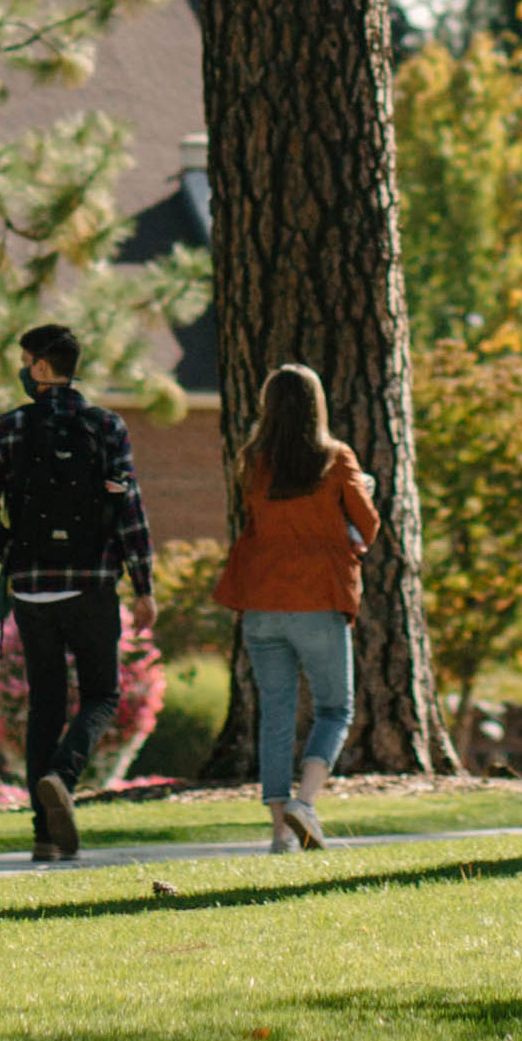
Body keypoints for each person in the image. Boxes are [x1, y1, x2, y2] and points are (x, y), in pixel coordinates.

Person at [0, 321, 148, 862]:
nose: (24, 371)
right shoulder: (108, 426)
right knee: (101, 693)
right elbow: (129, 510)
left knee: (45, 703)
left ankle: (44, 836)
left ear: (42, 367)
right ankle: (62, 778)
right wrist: (143, 584)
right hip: (93, 585)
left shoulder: (10, 428)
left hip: (31, 593)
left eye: (27, 362)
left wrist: (16, 559)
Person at [210, 362, 374, 851]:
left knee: (275, 714)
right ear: (316, 406)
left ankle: (281, 831)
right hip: (319, 600)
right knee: (334, 708)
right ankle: (306, 802)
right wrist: (361, 495)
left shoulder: (254, 462)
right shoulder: (336, 458)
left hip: (262, 604)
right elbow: (367, 527)